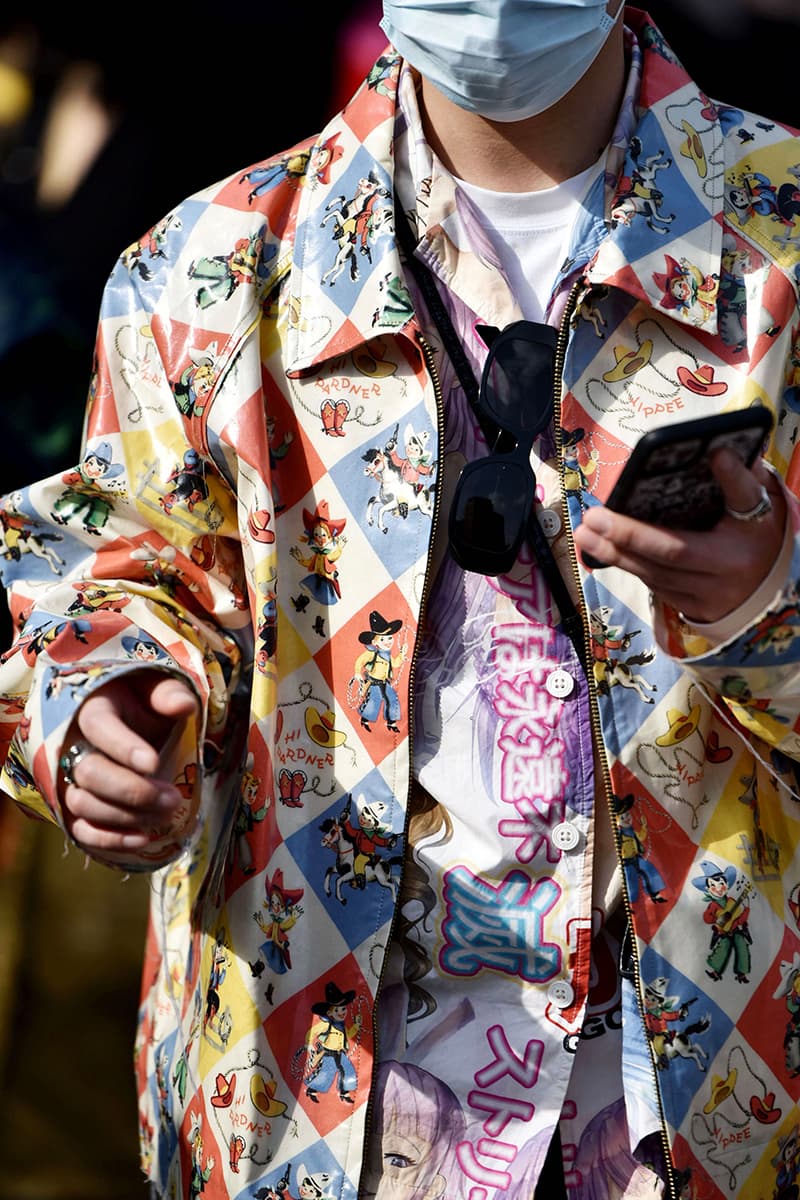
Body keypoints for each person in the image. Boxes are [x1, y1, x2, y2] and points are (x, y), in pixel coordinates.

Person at [0, 2, 799, 1198]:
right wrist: (101, 708)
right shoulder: (206, 271)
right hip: (317, 1119)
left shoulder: (777, 237)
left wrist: (766, 607)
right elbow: (118, 575)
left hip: (712, 1116)